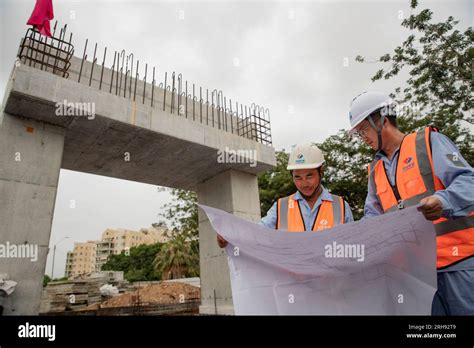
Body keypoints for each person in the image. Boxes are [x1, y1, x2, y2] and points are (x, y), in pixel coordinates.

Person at [348, 91, 474, 315]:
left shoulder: (428, 142)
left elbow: (468, 181)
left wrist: (443, 200)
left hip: (459, 264)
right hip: (418, 276)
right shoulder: (375, 172)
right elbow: (372, 221)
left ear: (383, 121)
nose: (363, 138)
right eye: (359, 133)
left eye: (363, 130)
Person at [217, 143, 354, 248]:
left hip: (331, 283)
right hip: (293, 283)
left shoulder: (340, 207)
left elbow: (352, 245)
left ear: (321, 171)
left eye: (309, 176)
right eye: (298, 177)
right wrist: (231, 236)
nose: (304, 183)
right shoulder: (281, 207)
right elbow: (258, 232)